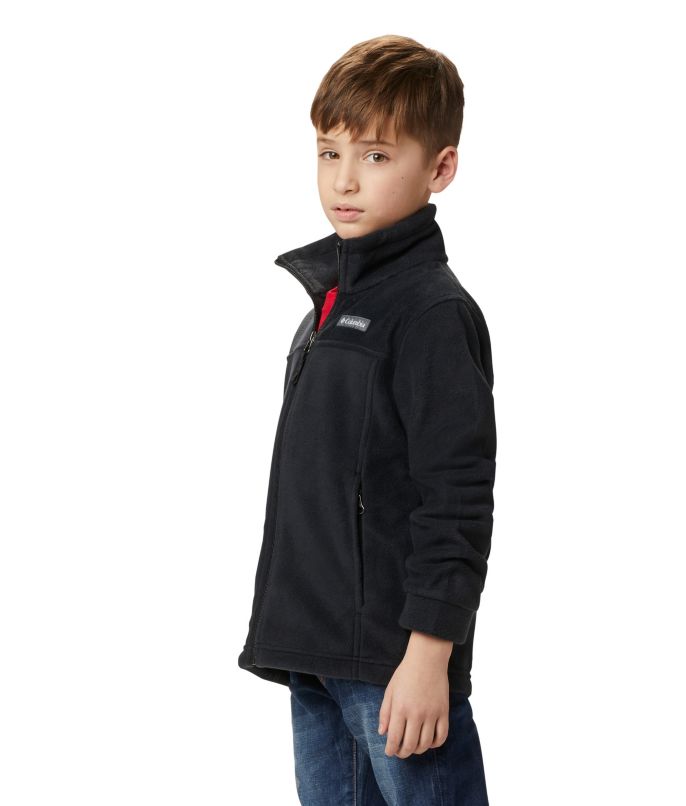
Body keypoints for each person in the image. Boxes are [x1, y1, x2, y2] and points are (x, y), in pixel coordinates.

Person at [238, 34, 497, 805]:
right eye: (329, 152)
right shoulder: (331, 304)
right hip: (315, 651)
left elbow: (456, 497)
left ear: (439, 168)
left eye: (376, 156)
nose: (344, 179)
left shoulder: (432, 314)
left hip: (392, 661)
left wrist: (429, 653)